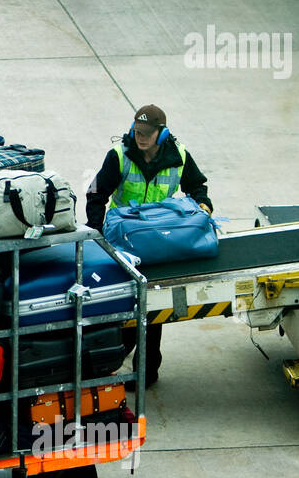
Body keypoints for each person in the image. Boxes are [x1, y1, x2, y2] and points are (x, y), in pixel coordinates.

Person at [85, 104, 212, 385]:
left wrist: (204, 205)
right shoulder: (119, 155)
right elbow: (95, 193)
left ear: (162, 133)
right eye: (136, 131)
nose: (139, 137)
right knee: (124, 301)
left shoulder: (179, 156)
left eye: (146, 133)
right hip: (124, 237)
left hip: (158, 238)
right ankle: (117, 356)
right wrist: (97, 233)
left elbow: (197, 186)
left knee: (153, 303)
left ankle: (147, 370)